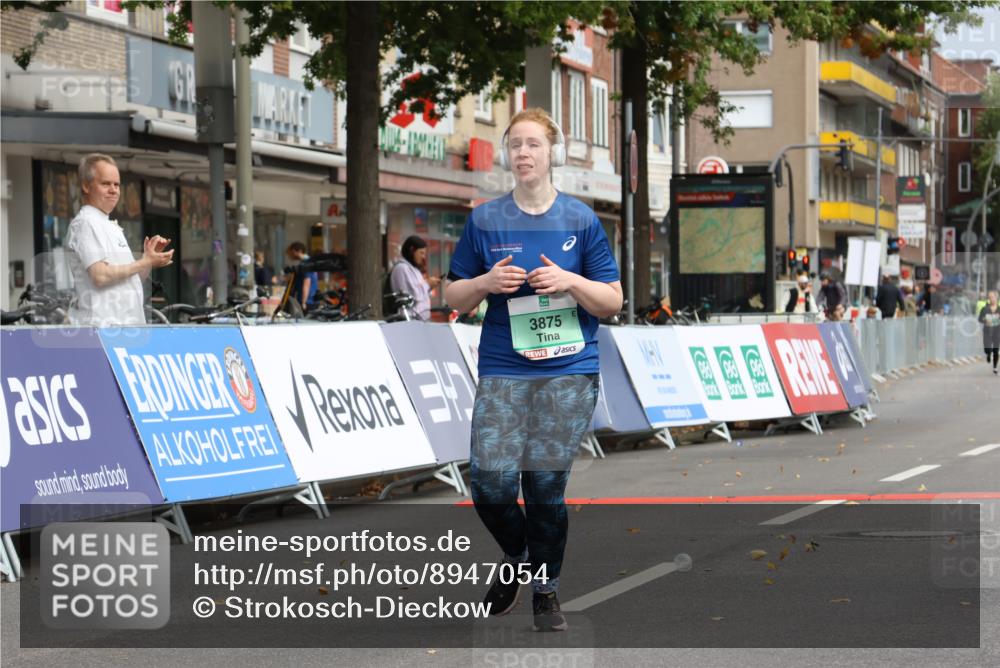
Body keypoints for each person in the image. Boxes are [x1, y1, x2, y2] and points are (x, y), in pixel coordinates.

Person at [444, 108, 622, 632]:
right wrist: (485, 283)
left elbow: (611, 301)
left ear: (552, 155)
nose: (523, 153)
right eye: (514, 144)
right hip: (504, 367)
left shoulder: (581, 219)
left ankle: (545, 590)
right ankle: (519, 556)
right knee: (490, 485)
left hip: (569, 368)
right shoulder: (484, 219)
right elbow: (451, 294)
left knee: (544, 486)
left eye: (533, 145)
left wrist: (569, 280)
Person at [65, 154, 173, 325]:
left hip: (125, 330)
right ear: (86, 186)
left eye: (117, 184)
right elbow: (100, 275)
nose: (113, 190)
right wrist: (142, 262)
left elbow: (131, 279)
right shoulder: (86, 223)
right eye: (105, 184)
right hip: (102, 330)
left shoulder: (109, 225)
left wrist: (148, 260)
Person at [389, 235, 441, 320]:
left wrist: (429, 286)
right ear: (412, 250)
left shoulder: (414, 270)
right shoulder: (402, 268)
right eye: (421, 253)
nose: (423, 257)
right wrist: (427, 284)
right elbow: (413, 295)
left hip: (420, 319)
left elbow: (419, 292)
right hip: (410, 319)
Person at [285, 242, 317, 311]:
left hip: (307, 300)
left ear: (299, 251)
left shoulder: (306, 264)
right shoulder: (307, 262)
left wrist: (303, 302)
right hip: (307, 299)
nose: (291, 255)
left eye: (292, 252)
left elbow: (307, 283)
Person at [979, 290, 1000, 374]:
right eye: (989, 297)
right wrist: (985, 320)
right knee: (987, 348)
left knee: (996, 349)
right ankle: (988, 354)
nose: (991, 299)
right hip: (987, 331)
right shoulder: (985, 309)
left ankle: (995, 367)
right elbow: (980, 319)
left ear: (996, 297)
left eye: (992, 297)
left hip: (997, 331)